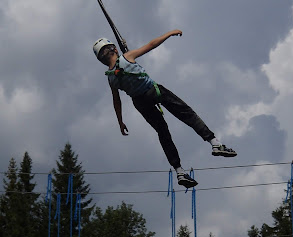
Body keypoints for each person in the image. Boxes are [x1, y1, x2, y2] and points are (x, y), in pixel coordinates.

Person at [93, 30, 237, 188]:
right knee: (186, 113)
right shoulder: (127, 57)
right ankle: (214, 143)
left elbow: (116, 100)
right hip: (154, 91)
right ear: (114, 49)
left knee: (163, 133)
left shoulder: (110, 78)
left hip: (140, 103)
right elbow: (151, 45)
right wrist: (169, 34)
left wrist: (120, 122)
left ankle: (179, 171)